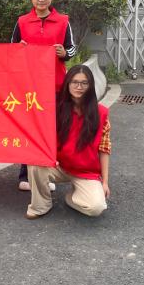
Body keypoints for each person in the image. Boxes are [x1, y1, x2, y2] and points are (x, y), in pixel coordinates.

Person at [12, 0, 76, 191]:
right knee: (28, 130)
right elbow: (11, 49)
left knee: (51, 131)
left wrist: (64, 53)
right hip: (28, 86)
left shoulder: (63, 21)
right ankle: (25, 175)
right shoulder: (22, 22)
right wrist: (19, 48)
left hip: (55, 86)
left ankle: (47, 175)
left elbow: (72, 49)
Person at [25, 65, 111, 219]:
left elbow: (104, 149)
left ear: (90, 86)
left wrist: (105, 182)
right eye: (74, 82)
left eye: (84, 83)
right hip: (59, 166)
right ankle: (41, 205)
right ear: (67, 84)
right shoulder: (55, 109)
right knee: (35, 162)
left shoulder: (101, 113)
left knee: (96, 208)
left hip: (86, 172)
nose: (79, 87)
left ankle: (71, 197)